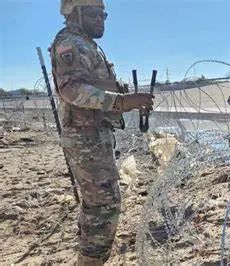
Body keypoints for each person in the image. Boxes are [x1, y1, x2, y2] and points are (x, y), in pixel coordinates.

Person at [50, 1, 154, 264]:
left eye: (104, 14)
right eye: (95, 14)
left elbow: (96, 86)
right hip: (85, 137)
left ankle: (88, 256)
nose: (102, 20)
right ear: (75, 13)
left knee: (96, 205)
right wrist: (121, 102)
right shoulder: (70, 43)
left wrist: (124, 95)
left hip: (94, 135)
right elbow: (71, 90)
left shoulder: (88, 45)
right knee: (105, 207)